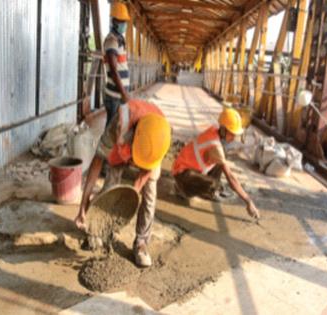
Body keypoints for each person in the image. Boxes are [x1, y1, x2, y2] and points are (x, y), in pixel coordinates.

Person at [74, 99, 171, 267]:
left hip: (149, 152)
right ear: (132, 138)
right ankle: (99, 229)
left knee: (150, 195)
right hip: (120, 151)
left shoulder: (160, 139)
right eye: (134, 159)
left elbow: (147, 172)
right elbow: (97, 163)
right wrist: (83, 205)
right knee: (110, 184)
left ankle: (141, 243)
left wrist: (131, 195)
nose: (134, 164)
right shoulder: (118, 126)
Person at [172, 108, 260, 219]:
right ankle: (182, 191)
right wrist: (248, 201)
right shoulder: (214, 144)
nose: (233, 138)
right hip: (182, 175)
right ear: (223, 130)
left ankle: (207, 190)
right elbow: (231, 178)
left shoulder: (213, 131)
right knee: (212, 185)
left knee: (221, 160)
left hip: (186, 168)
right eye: (232, 134)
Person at [103, 1, 131, 126]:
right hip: (115, 95)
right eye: (121, 21)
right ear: (114, 22)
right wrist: (123, 92)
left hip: (118, 94)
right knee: (111, 130)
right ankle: (104, 146)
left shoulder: (119, 40)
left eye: (125, 21)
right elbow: (114, 71)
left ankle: (109, 146)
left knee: (116, 128)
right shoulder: (111, 40)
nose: (124, 24)